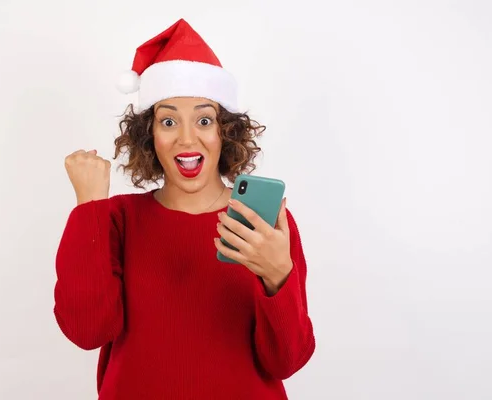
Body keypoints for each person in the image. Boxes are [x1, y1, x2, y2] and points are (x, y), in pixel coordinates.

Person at [53, 18, 315, 399]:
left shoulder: (265, 224)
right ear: (149, 135)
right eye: (169, 120)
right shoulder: (116, 219)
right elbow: (86, 331)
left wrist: (278, 277)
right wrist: (89, 207)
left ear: (225, 132)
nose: (187, 138)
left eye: (204, 120)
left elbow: (287, 361)